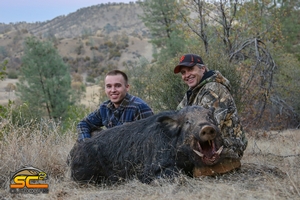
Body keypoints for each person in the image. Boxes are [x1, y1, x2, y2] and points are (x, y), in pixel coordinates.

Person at [174, 53, 248, 172]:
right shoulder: (193, 92)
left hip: (224, 148)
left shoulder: (213, 88)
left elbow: (209, 129)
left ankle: (223, 166)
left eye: (190, 69)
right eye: (183, 72)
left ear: (202, 68)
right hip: (203, 145)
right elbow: (177, 116)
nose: (187, 75)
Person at [77, 69, 154, 142]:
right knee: (92, 134)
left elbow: (151, 139)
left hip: (133, 152)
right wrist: (86, 143)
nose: (113, 90)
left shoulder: (139, 107)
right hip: (111, 151)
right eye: (109, 86)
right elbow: (83, 123)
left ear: (127, 87)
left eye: (117, 86)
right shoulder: (104, 107)